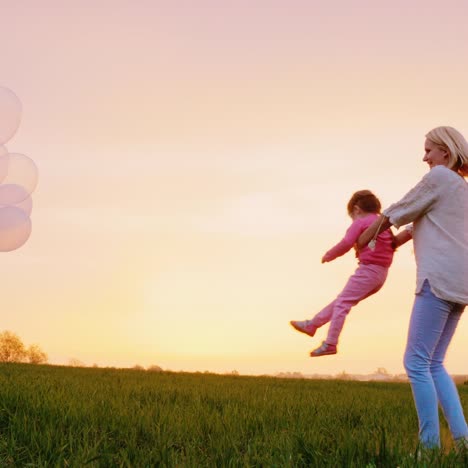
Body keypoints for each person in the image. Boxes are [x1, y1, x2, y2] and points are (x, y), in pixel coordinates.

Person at [357, 126, 468, 451]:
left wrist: (367, 236)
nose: (424, 157)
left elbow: (399, 207)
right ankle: (463, 442)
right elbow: (426, 218)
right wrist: (398, 238)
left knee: (416, 362)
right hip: (460, 285)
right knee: (434, 363)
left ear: (445, 152)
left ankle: (429, 447)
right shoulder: (460, 188)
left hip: (437, 279)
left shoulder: (440, 178)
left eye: (429, 150)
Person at [290, 190, 411, 357]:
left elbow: (347, 243)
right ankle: (312, 324)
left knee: (342, 304)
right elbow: (392, 244)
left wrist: (329, 255)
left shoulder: (361, 222)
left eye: (352, 216)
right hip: (381, 275)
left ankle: (330, 343)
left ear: (356, 210)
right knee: (341, 301)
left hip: (368, 271)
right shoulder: (382, 224)